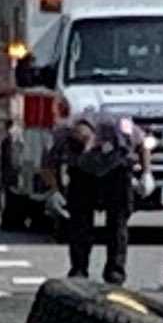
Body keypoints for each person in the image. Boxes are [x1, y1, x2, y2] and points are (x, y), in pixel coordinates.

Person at [43, 107, 153, 285]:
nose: (84, 151)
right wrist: (54, 191)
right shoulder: (62, 133)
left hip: (116, 171)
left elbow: (142, 145)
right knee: (79, 223)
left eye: (85, 147)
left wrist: (146, 173)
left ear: (94, 137)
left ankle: (115, 272)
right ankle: (79, 270)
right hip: (82, 174)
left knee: (117, 223)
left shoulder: (119, 125)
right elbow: (47, 165)